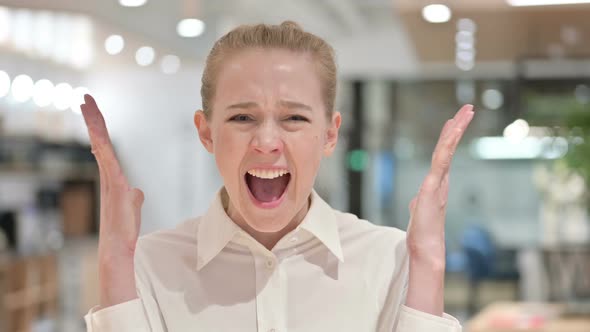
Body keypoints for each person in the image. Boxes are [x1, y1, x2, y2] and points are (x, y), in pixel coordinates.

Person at [82, 21, 474, 332]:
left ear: (330, 133)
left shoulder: (390, 260)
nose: (267, 142)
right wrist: (116, 265)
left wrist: (428, 265)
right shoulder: (151, 265)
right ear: (206, 132)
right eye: (242, 117)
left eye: (294, 118)